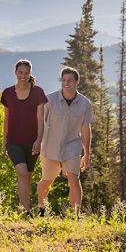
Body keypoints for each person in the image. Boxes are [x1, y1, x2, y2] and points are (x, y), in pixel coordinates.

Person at [37, 66, 95, 217]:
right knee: (46, 181)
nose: (66, 83)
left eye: (69, 80)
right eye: (63, 80)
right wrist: (37, 142)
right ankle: (41, 208)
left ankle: (76, 215)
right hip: (50, 146)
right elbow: (40, 122)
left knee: (74, 180)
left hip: (72, 147)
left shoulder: (85, 104)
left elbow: (85, 130)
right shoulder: (49, 100)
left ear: (77, 82)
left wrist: (87, 153)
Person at [1, 59, 48, 215]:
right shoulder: (7, 93)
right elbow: (6, 119)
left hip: (32, 141)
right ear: (15, 73)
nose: (23, 75)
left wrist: (39, 140)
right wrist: (4, 142)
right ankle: (25, 211)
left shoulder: (38, 92)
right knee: (21, 172)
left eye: (26, 73)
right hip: (13, 141)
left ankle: (24, 210)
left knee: (27, 176)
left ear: (30, 74)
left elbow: (41, 119)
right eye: (20, 72)